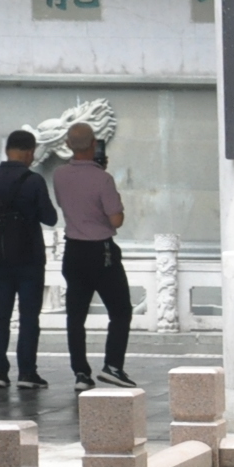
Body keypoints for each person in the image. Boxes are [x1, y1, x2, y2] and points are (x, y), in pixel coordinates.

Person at [54, 122, 136, 391]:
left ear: (68, 144)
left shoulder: (59, 176)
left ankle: (81, 372)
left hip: (73, 251)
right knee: (120, 310)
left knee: (76, 316)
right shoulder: (103, 179)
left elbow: (65, 205)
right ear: (93, 145)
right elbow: (116, 219)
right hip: (101, 251)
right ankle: (113, 366)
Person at [0, 129, 57, 389]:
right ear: (29, 152)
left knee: (0, 313)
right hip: (28, 257)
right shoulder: (33, 181)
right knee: (28, 316)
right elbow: (50, 218)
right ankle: (27, 372)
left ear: (7, 150)